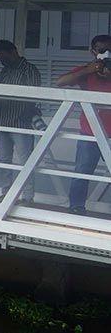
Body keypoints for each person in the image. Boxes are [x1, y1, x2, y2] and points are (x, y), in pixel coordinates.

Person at [55, 33, 111, 214]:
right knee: (81, 172)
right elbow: (60, 82)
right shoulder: (86, 70)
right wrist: (89, 70)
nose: (107, 53)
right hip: (90, 131)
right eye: (102, 50)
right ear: (93, 51)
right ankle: (76, 208)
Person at [0, 39, 43, 196]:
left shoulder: (29, 70)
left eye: (3, 56)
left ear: (13, 52)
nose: (2, 60)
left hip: (21, 123)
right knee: (4, 161)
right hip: (3, 122)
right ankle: (6, 194)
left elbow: (33, 96)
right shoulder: (5, 70)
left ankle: (27, 197)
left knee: (25, 162)